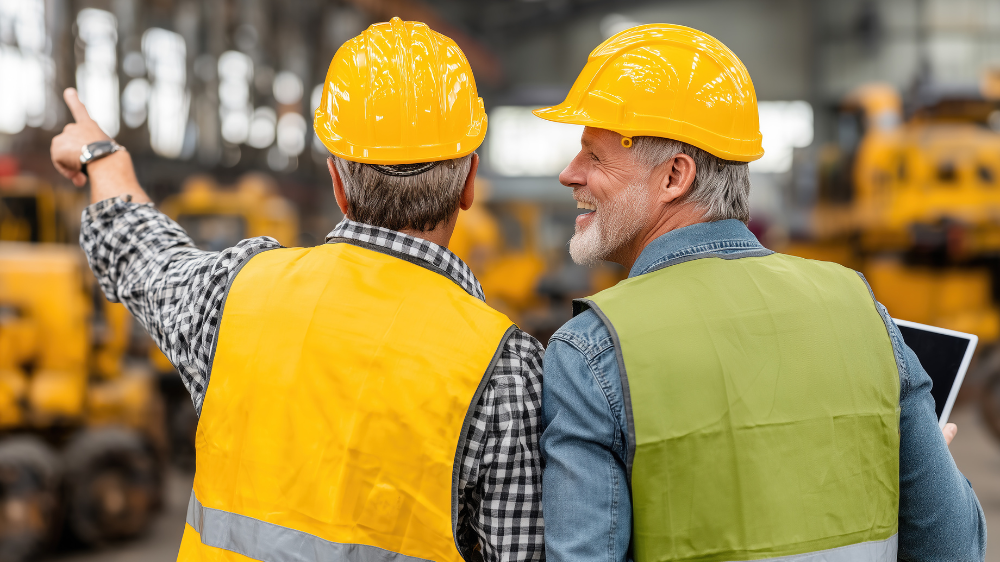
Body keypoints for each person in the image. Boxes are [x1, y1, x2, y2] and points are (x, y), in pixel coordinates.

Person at [50, 18, 544, 562]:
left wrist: (104, 158)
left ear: (337, 181)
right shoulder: (507, 368)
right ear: (471, 181)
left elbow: (142, 254)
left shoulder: (237, 291)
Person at [534, 23, 986, 562]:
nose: (569, 174)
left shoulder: (594, 350)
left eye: (595, 156)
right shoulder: (861, 308)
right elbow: (954, 547)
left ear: (675, 176)